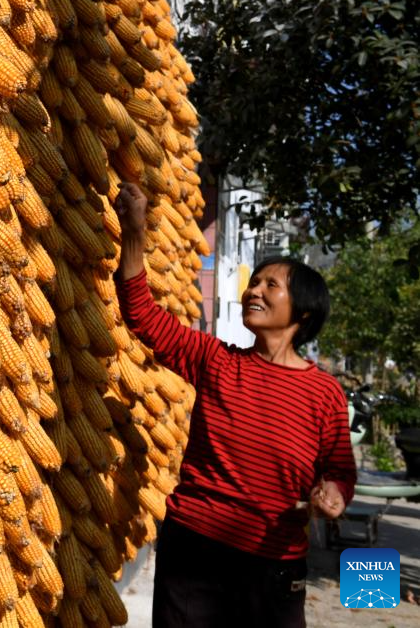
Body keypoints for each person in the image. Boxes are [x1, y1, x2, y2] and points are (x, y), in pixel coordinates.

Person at [113, 182, 356, 628]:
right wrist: (133, 233)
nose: (254, 290)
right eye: (254, 282)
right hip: (196, 552)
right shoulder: (215, 360)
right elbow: (142, 314)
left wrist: (334, 495)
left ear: (303, 312)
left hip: (274, 564)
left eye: (271, 284)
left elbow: (339, 469)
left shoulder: (324, 393)